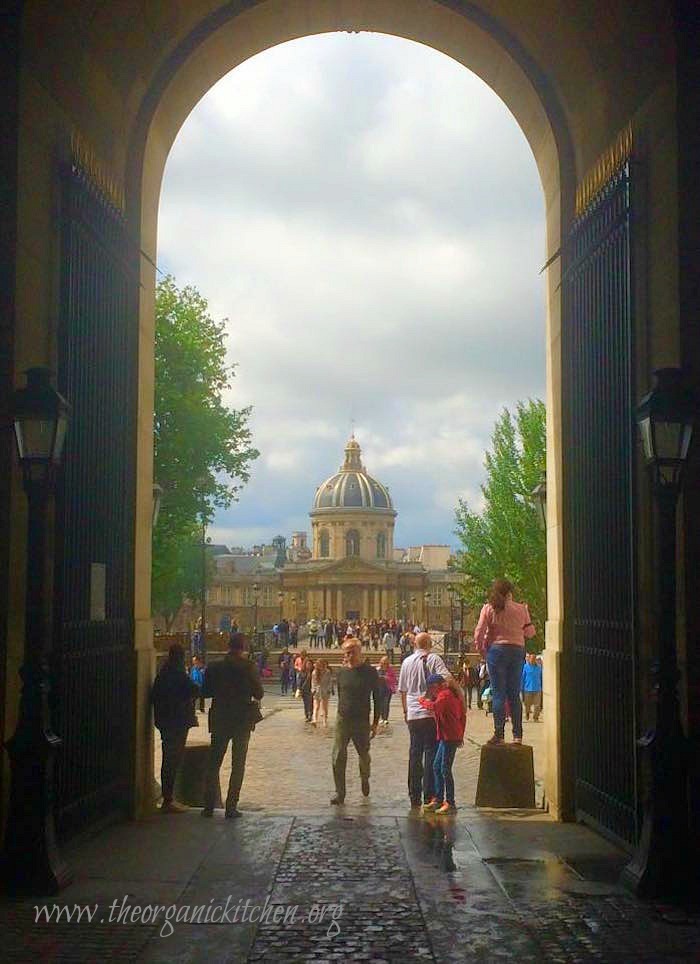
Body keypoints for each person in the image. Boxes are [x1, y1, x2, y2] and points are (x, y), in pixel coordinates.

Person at [201, 632, 264, 818]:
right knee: (238, 765)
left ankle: (208, 806)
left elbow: (205, 692)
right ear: (242, 647)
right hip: (242, 720)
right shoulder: (248, 667)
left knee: (213, 763)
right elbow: (259, 693)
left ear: (228, 646)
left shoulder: (214, 666)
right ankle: (231, 806)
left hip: (220, 718)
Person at [474, 578, 536, 746]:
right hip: (517, 650)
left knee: (499, 693)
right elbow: (530, 633)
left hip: (497, 651)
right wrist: (525, 620)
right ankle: (517, 735)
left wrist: (482, 651)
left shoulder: (489, 608)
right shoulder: (521, 609)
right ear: (510, 592)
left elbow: (479, 632)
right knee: (514, 694)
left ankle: (499, 734)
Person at [397, 631, 451, 808]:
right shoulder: (434, 659)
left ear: (415, 645)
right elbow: (446, 678)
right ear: (429, 644)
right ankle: (428, 795)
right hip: (430, 713)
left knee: (414, 753)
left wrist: (406, 711)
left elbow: (403, 690)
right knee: (430, 753)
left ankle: (413, 794)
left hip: (413, 713)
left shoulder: (406, 662)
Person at [331, 638, 382, 805]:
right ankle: (340, 792)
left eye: (353, 652)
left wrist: (375, 722)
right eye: (347, 652)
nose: (349, 655)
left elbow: (378, 698)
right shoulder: (340, 673)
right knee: (338, 754)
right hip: (343, 719)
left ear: (360, 652)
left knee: (364, 754)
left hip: (361, 720)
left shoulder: (370, 672)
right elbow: (340, 694)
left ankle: (365, 778)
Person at [152, 644, 199, 813]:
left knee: (168, 760)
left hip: (165, 723)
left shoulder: (162, 674)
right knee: (172, 761)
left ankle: (168, 797)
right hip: (177, 723)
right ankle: (168, 799)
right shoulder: (178, 675)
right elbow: (195, 690)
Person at [419, 673, 466, 814]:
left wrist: (421, 701)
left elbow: (435, 707)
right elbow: (462, 716)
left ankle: (450, 802)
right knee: (436, 766)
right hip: (447, 736)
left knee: (445, 769)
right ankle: (439, 799)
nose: (430, 692)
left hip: (449, 737)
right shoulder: (449, 693)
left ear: (435, 686)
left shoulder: (445, 695)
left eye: (431, 689)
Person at [521, 652, 543, 721]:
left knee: (537, 705)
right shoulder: (525, 667)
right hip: (527, 688)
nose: (533, 660)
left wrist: (542, 687)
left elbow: (541, 677)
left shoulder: (539, 668)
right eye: (531, 659)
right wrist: (521, 688)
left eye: (534, 659)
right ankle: (527, 714)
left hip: (537, 688)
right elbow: (522, 678)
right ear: (529, 659)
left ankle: (536, 717)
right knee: (527, 704)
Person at [312, 657, 333, 727]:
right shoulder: (314, 672)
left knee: (324, 707)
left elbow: (330, 681)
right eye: (319, 664)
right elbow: (313, 682)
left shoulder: (327, 672)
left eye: (321, 664)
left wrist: (329, 689)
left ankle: (325, 721)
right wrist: (313, 689)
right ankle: (314, 720)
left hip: (325, 690)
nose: (320, 666)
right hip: (317, 691)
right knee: (316, 706)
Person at [377, 654, 397, 725]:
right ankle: (381, 718)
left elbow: (394, 679)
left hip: (387, 689)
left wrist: (385, 678)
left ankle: (385, 718)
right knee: (380, 704)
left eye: (385, 663)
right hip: (379, 689)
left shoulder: (390, 670)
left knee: (386, 704)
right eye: (382, 663)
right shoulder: (378, 669)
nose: (384, 664)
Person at [299, 656, 314, 722]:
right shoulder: (303, 672)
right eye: (308, 664)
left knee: (310, 703)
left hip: (311, 689)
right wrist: (299, 689)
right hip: (304, 689)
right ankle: (306, 715)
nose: (309, 665)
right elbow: (300, 681)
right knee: (306, 703)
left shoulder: (314, 672)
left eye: (310, 664)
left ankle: (310, 715)